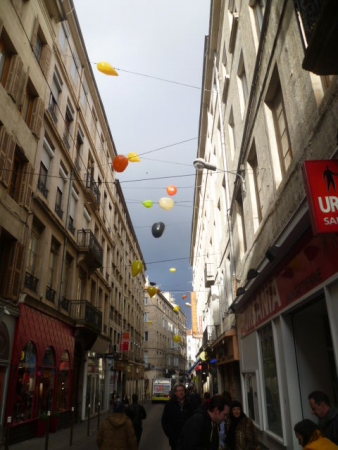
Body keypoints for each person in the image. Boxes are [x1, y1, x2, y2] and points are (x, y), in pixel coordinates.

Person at [162, 382, 193, 450]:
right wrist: (170, 435)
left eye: (182, 390)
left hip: (189, 438)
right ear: (175, 393)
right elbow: (165, 421)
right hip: (175, 439)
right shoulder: (169, 405)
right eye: (179, 391)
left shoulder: (190, 403)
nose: (181, 392)